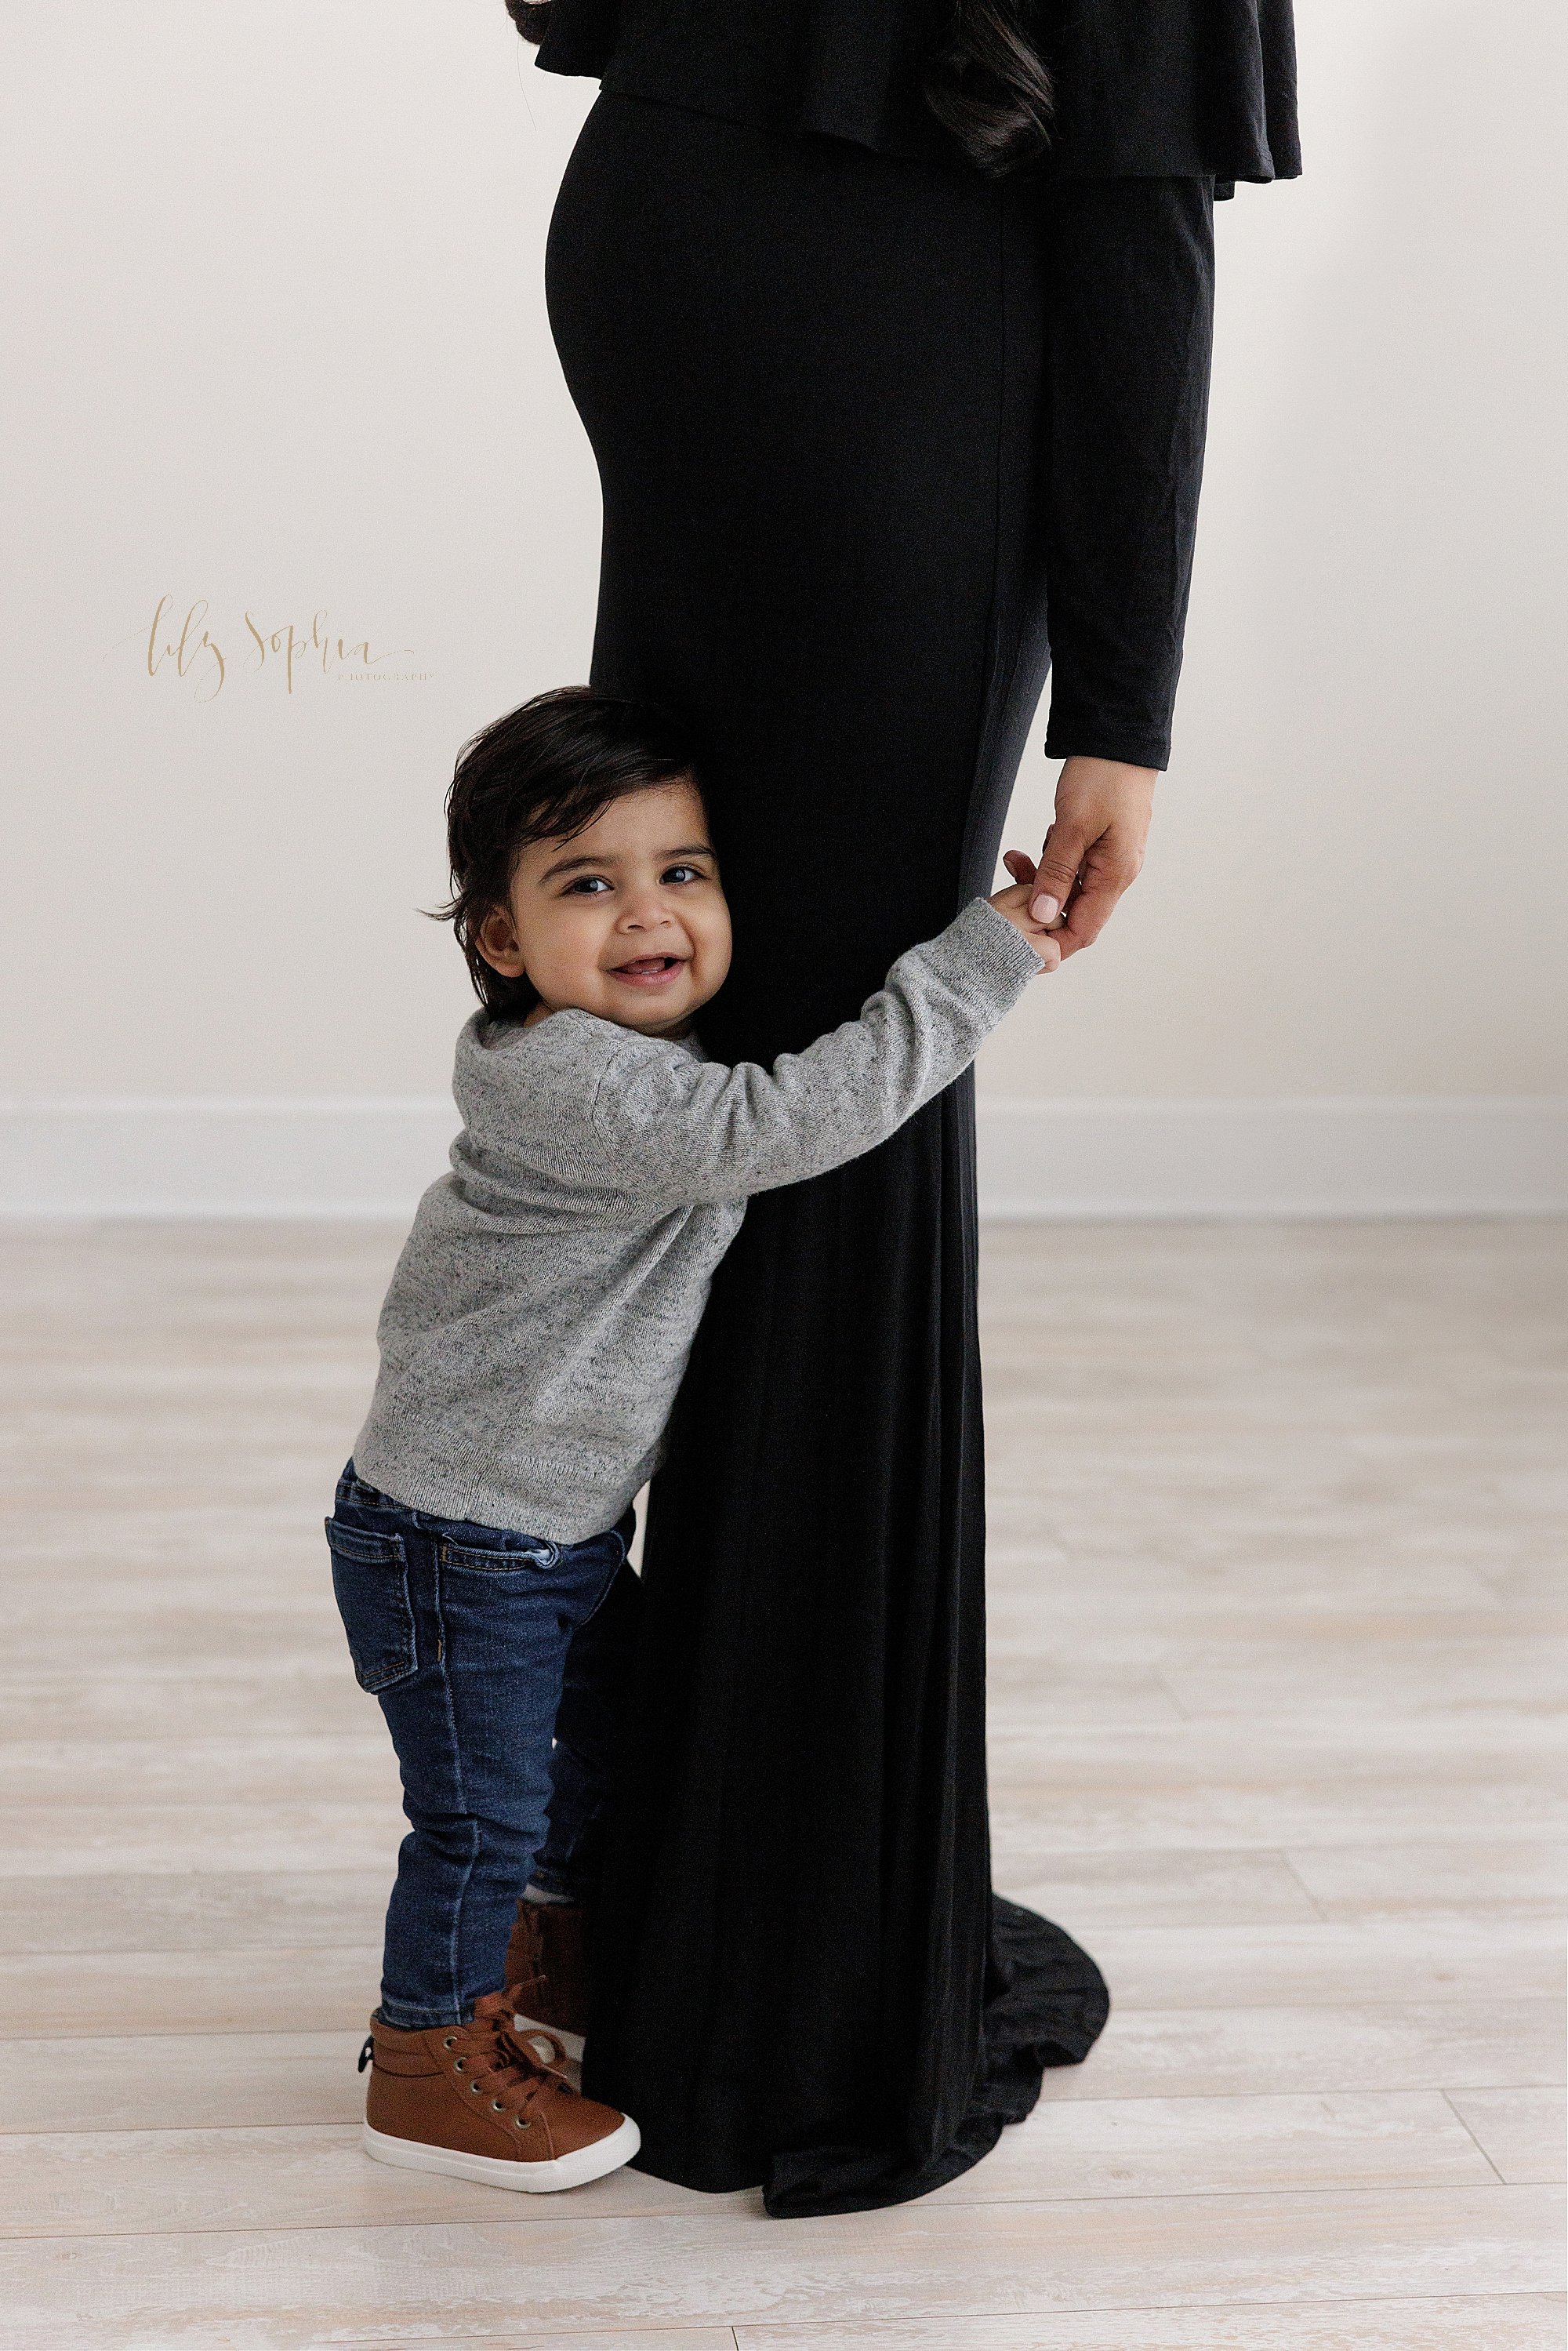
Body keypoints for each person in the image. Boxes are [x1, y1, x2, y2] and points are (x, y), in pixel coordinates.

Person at [499, 0, 1300, 2218]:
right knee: (832, 1114)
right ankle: (792, 1982)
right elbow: (1137, 201)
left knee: (730, 1065)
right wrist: (1124, 707)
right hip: (892, 347)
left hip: (680, 244)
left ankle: (666, 1897)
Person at [331, 685, 1062, 2191]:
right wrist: (993, 955)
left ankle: (551, 1970)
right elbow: (785, 1123)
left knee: (599, 1767)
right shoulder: (574, 1078)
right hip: (459, 1538)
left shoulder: (621, 1054)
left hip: (546, 1525)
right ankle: (428, 2055)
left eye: (685, 872)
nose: (647, 913)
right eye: (587, 883)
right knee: (480, 1811)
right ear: (502, 941)